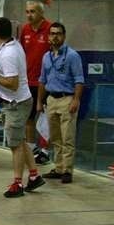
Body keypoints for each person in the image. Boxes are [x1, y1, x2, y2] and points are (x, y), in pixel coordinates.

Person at [0, 17, 46, 198]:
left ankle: (18, 183)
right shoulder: (12, 45)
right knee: (20, 140)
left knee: (14, 145)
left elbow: (13, 83)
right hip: (17, 101)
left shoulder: (8, 54)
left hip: (16, 104)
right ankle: (33, 176)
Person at [37, 22, 84, 184]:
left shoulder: (72, 56)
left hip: (67, 99)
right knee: (55, 137)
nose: (54, 36)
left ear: (63, 36)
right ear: (48, 36)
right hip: (51, 99)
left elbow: (79, 80)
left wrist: (76, 99)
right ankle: (58, 168)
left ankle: (67, 170)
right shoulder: (46, 57)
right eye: (52, 33)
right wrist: (39, 102)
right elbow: (42, 80)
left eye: (58, 33)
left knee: (67, 138)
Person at [19, 1, 52, 165]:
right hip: (28, 81)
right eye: (27, 12)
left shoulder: (50, 29)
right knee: (29, 117)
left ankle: (45, 151)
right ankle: (32, 148)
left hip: (45, 83)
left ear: (41, 13)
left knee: (46, 117)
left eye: (32, 12)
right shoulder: (24, 29)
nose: (29, 15)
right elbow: (21, 53)